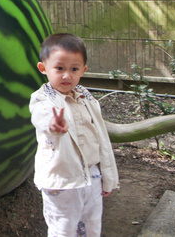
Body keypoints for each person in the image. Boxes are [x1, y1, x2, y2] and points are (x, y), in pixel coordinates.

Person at [29, 33, 118, 237]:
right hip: (62, 181)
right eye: (59, 68)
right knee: (63, 229)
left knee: (91, 226)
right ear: (43, 68)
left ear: (83, 70)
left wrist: (107, 178)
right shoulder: (42, 99)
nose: (67, 76)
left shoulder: (86, 98)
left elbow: (101, 140)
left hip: (91, 176)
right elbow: (41, 118)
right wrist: (53, 125)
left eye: (74, 69)